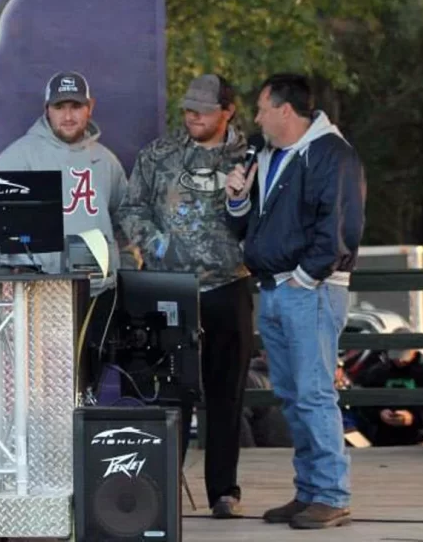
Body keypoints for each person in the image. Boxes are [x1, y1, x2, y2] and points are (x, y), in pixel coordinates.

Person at [225, 73, 366, 530]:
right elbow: (247, 229)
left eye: (262, 108)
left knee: (313, 393)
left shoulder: (331, 154)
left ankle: (330, 493)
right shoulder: (269, 156)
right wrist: (237, 201)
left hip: (311, 290)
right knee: (291, 395)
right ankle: (309, 491)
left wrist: (304, 278)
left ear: (285, 110)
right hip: (275, 287)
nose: (257, 117)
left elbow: (339, 227)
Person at [118, 73, 254, 519]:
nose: (193, 115)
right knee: (170, 392)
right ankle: (161, 490)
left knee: (226, 393)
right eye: (188, 107)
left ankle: (223, 492)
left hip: (227, 284)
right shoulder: (161, 153)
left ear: (228, 111)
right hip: (168, 288)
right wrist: (156, 245)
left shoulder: (252, 156)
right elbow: (132, 207)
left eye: (204, 108)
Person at [0, 71, 130, 281]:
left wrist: (123, 275)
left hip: (100, 287)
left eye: (76, 107)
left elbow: (126, 227)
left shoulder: (106, 161)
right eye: (59, 107)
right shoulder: (19, 156)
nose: (67, 116)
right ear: (47, 109)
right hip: (39, 288)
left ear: (90, 107)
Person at [353, 327, 423, 447]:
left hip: (419, 438)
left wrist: (414, 417)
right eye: (395, 355)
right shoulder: (377, 373)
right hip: (384, 438)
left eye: (403, 355)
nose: (399, 359)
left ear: (414, 350)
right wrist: (380, 413)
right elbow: (364, 403)